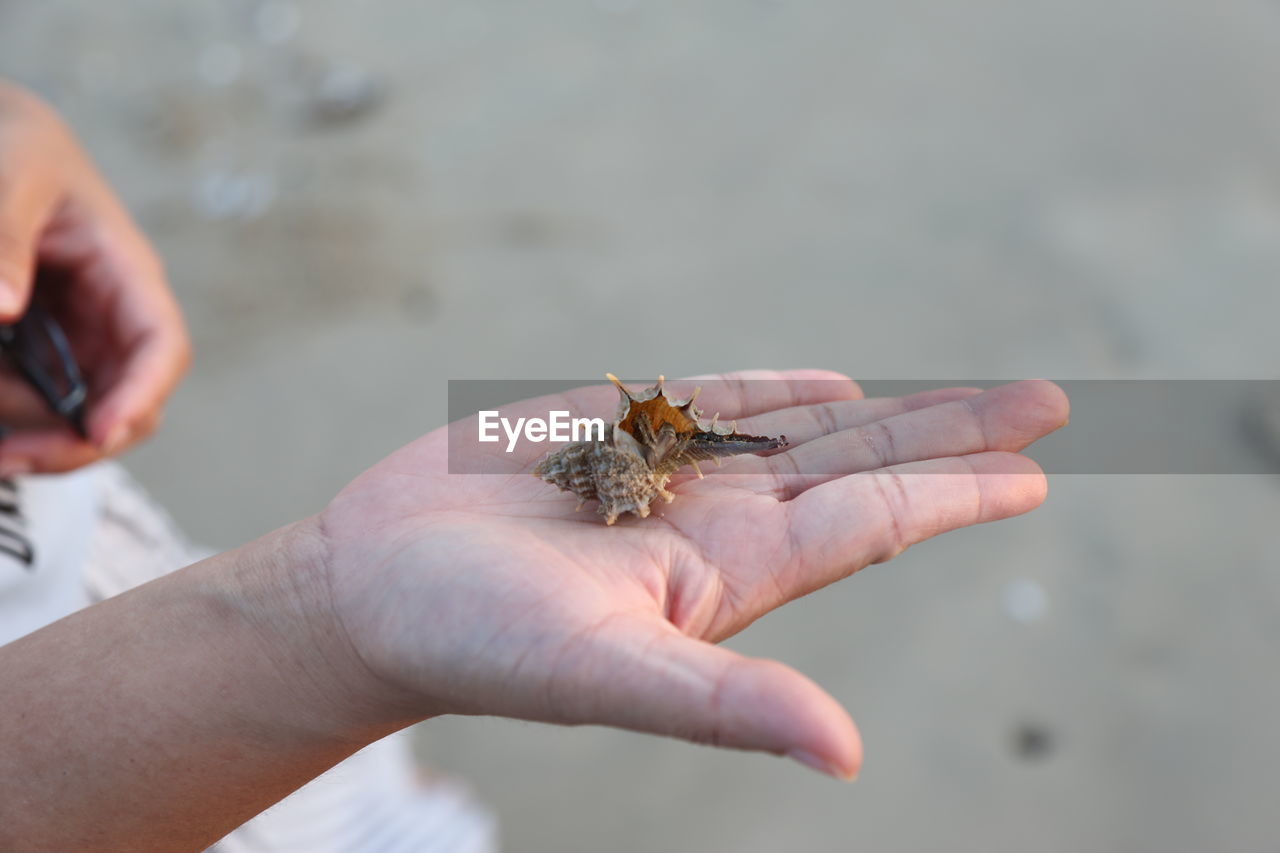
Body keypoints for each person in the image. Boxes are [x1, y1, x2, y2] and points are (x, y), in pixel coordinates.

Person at [0, 81, 1070, 851]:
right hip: (103, 773)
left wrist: (21, 129)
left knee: (352, 791)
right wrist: (320, 626)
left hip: (105, 573)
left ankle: (372, 781)